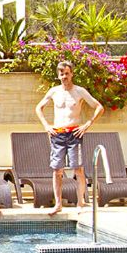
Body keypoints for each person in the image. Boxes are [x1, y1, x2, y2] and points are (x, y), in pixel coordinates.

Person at [32, 58, 105, 210]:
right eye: (61, 74)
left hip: (74, 134)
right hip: (57, 135)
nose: (64, 77)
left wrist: (87, 124)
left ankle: (80, 202)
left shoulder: (79, 91)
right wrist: (46, 126)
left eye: (66, 73)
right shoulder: (54, 91)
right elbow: (39, 108)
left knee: (78, 169)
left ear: (71, 74)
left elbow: (99, 107)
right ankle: (58, 204)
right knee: (57, 171)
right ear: (58, 76)